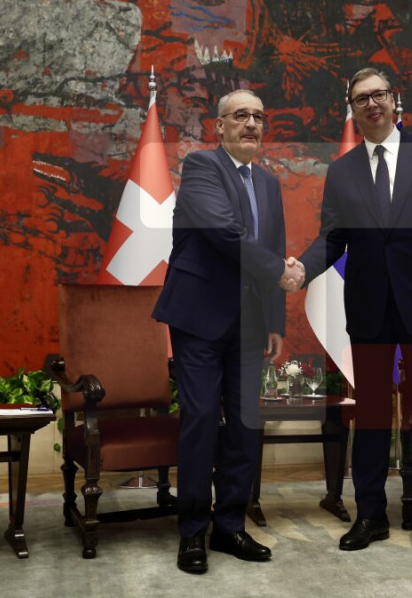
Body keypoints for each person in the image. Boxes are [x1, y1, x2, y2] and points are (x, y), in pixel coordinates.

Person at [296, 67, 412, 561]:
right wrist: (301, 270)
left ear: (395, 100)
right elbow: (333, 237)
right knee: (371, 417)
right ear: (352, 110)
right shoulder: (342, 170)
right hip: (369, 308)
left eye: (378, 95)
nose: (371, 104)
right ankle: (370, 515)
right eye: (361, 99)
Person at [152, 89, 305, 574]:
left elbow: (275, 245)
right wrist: (282, 271)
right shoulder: (202, 166)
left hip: (250, 322)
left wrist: (275, 321)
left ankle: (230, 526)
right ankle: (192, 532)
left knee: (245, 424)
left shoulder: (269, 183)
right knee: (201, 419)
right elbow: (222, 232)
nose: (252, 124)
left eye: (259, 116)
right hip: (199, 316)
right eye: (241, 116)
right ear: (219, 125)